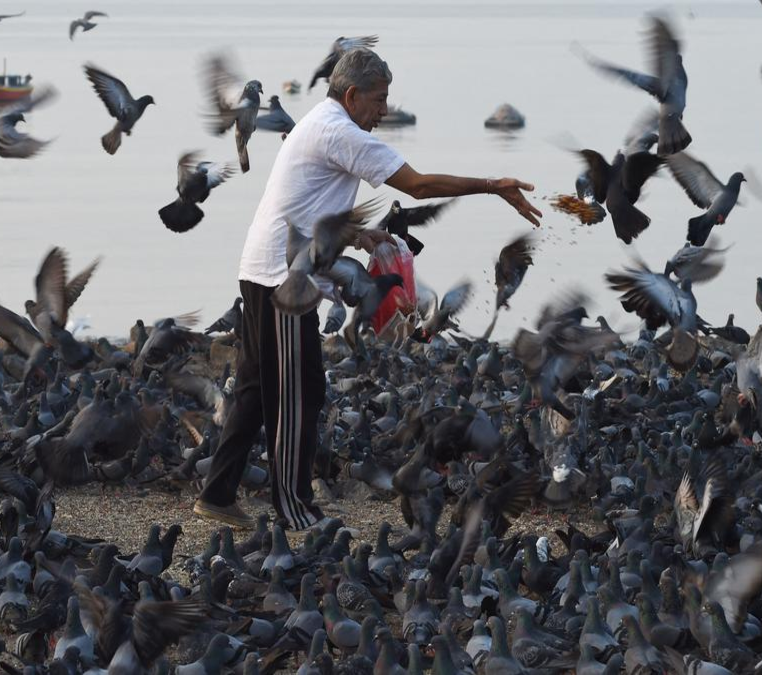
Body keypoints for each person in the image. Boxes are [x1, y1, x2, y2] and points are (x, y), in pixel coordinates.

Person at [192, 48, 541, 531]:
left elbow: (306, 199)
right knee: (300, 393)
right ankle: (295, 509)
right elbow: (417, 187)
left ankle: (217, 493)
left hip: (261, 268)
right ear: (352, 95)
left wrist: (357, 235)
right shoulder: (341, 132)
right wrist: (492, 184)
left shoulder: (320, 120)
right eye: (379, 101)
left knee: (254, 389)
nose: (384, 111)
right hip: (283, 277)